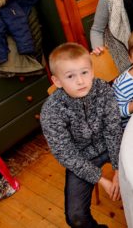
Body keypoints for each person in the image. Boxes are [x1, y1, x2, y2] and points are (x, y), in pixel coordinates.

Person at [40, 43, 123, 228]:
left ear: (92, 71)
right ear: (57, 81)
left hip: (111, 145)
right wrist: (101, 180)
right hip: (81, 159)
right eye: (70, 76)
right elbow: (65, 154)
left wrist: (118, 169)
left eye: (84, 72)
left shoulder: (103, 90)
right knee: (75, 217)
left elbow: (113, 130)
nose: (80, 81)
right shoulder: (51, 111)